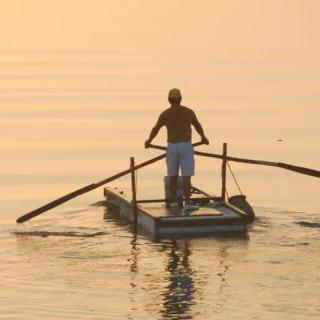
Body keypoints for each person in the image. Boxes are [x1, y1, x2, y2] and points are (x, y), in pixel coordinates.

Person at [145, 88, 209, 211]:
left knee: (173, 175)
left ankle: (174, 202)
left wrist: (149, 141)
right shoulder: (189, 112)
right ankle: (188, 202)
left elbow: (156, 128)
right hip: (186, 145)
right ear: (180, 99)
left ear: (169, 100)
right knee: (186, 176)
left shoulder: (165, 114)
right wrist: (203, 138)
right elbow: (197, 125)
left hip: (172, 146)